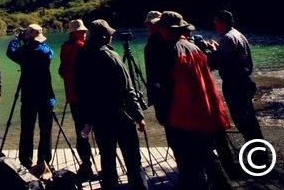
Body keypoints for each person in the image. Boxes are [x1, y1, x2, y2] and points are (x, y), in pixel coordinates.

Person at [154, 11, 231, 190]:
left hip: (183, 116)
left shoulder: (168, 51)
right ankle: (223, 186)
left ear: (166, 30)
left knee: (190, 164)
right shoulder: (195, 48)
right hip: (204, 111)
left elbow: (166, 88)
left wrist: (163, 114)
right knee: (207, 155)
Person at [75, 19, 146, 190]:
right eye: (110, 34)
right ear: (105, 37)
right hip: (119, 114)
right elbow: (127, 88)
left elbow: (81, 89)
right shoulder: (110, 55)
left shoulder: (82, 55)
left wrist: (88, 119)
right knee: (132, 159)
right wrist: (138, 115)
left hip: (99, 117)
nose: (112, 37)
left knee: (107, 158)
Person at [6, 24, 55, 180]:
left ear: (29, 37)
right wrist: (32, 39)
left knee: (27, 130)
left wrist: (17, 38)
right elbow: (48, 49)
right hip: (46, 96)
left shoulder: (23, 52)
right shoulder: (46, 51)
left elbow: (10, 52)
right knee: (45, 131)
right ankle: (44, 161)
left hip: (28, 97)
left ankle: (25, 162)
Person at [205, 10, 262, 143]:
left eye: (216, 21)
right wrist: (218, 49)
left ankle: (256, 154)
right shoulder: (237, 34)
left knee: (242, 121)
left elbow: (216, 62)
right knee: (250, 120)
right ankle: (259, 151)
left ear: (222, 22)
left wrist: (212, 51)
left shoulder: (227, 38)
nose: (214, 24)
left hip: (234, 84)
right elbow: (231, 57)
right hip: (244, 82)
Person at [58, 19, 93, 180]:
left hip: (72, 97)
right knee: (94, 130)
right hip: (86, 97)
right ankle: (101, 167)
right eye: (82, 31)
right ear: (74, 33)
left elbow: (61, 71)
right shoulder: (82, 48)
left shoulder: (64, 48)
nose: (85, 33)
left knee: (81, 132)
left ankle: (86, 166)